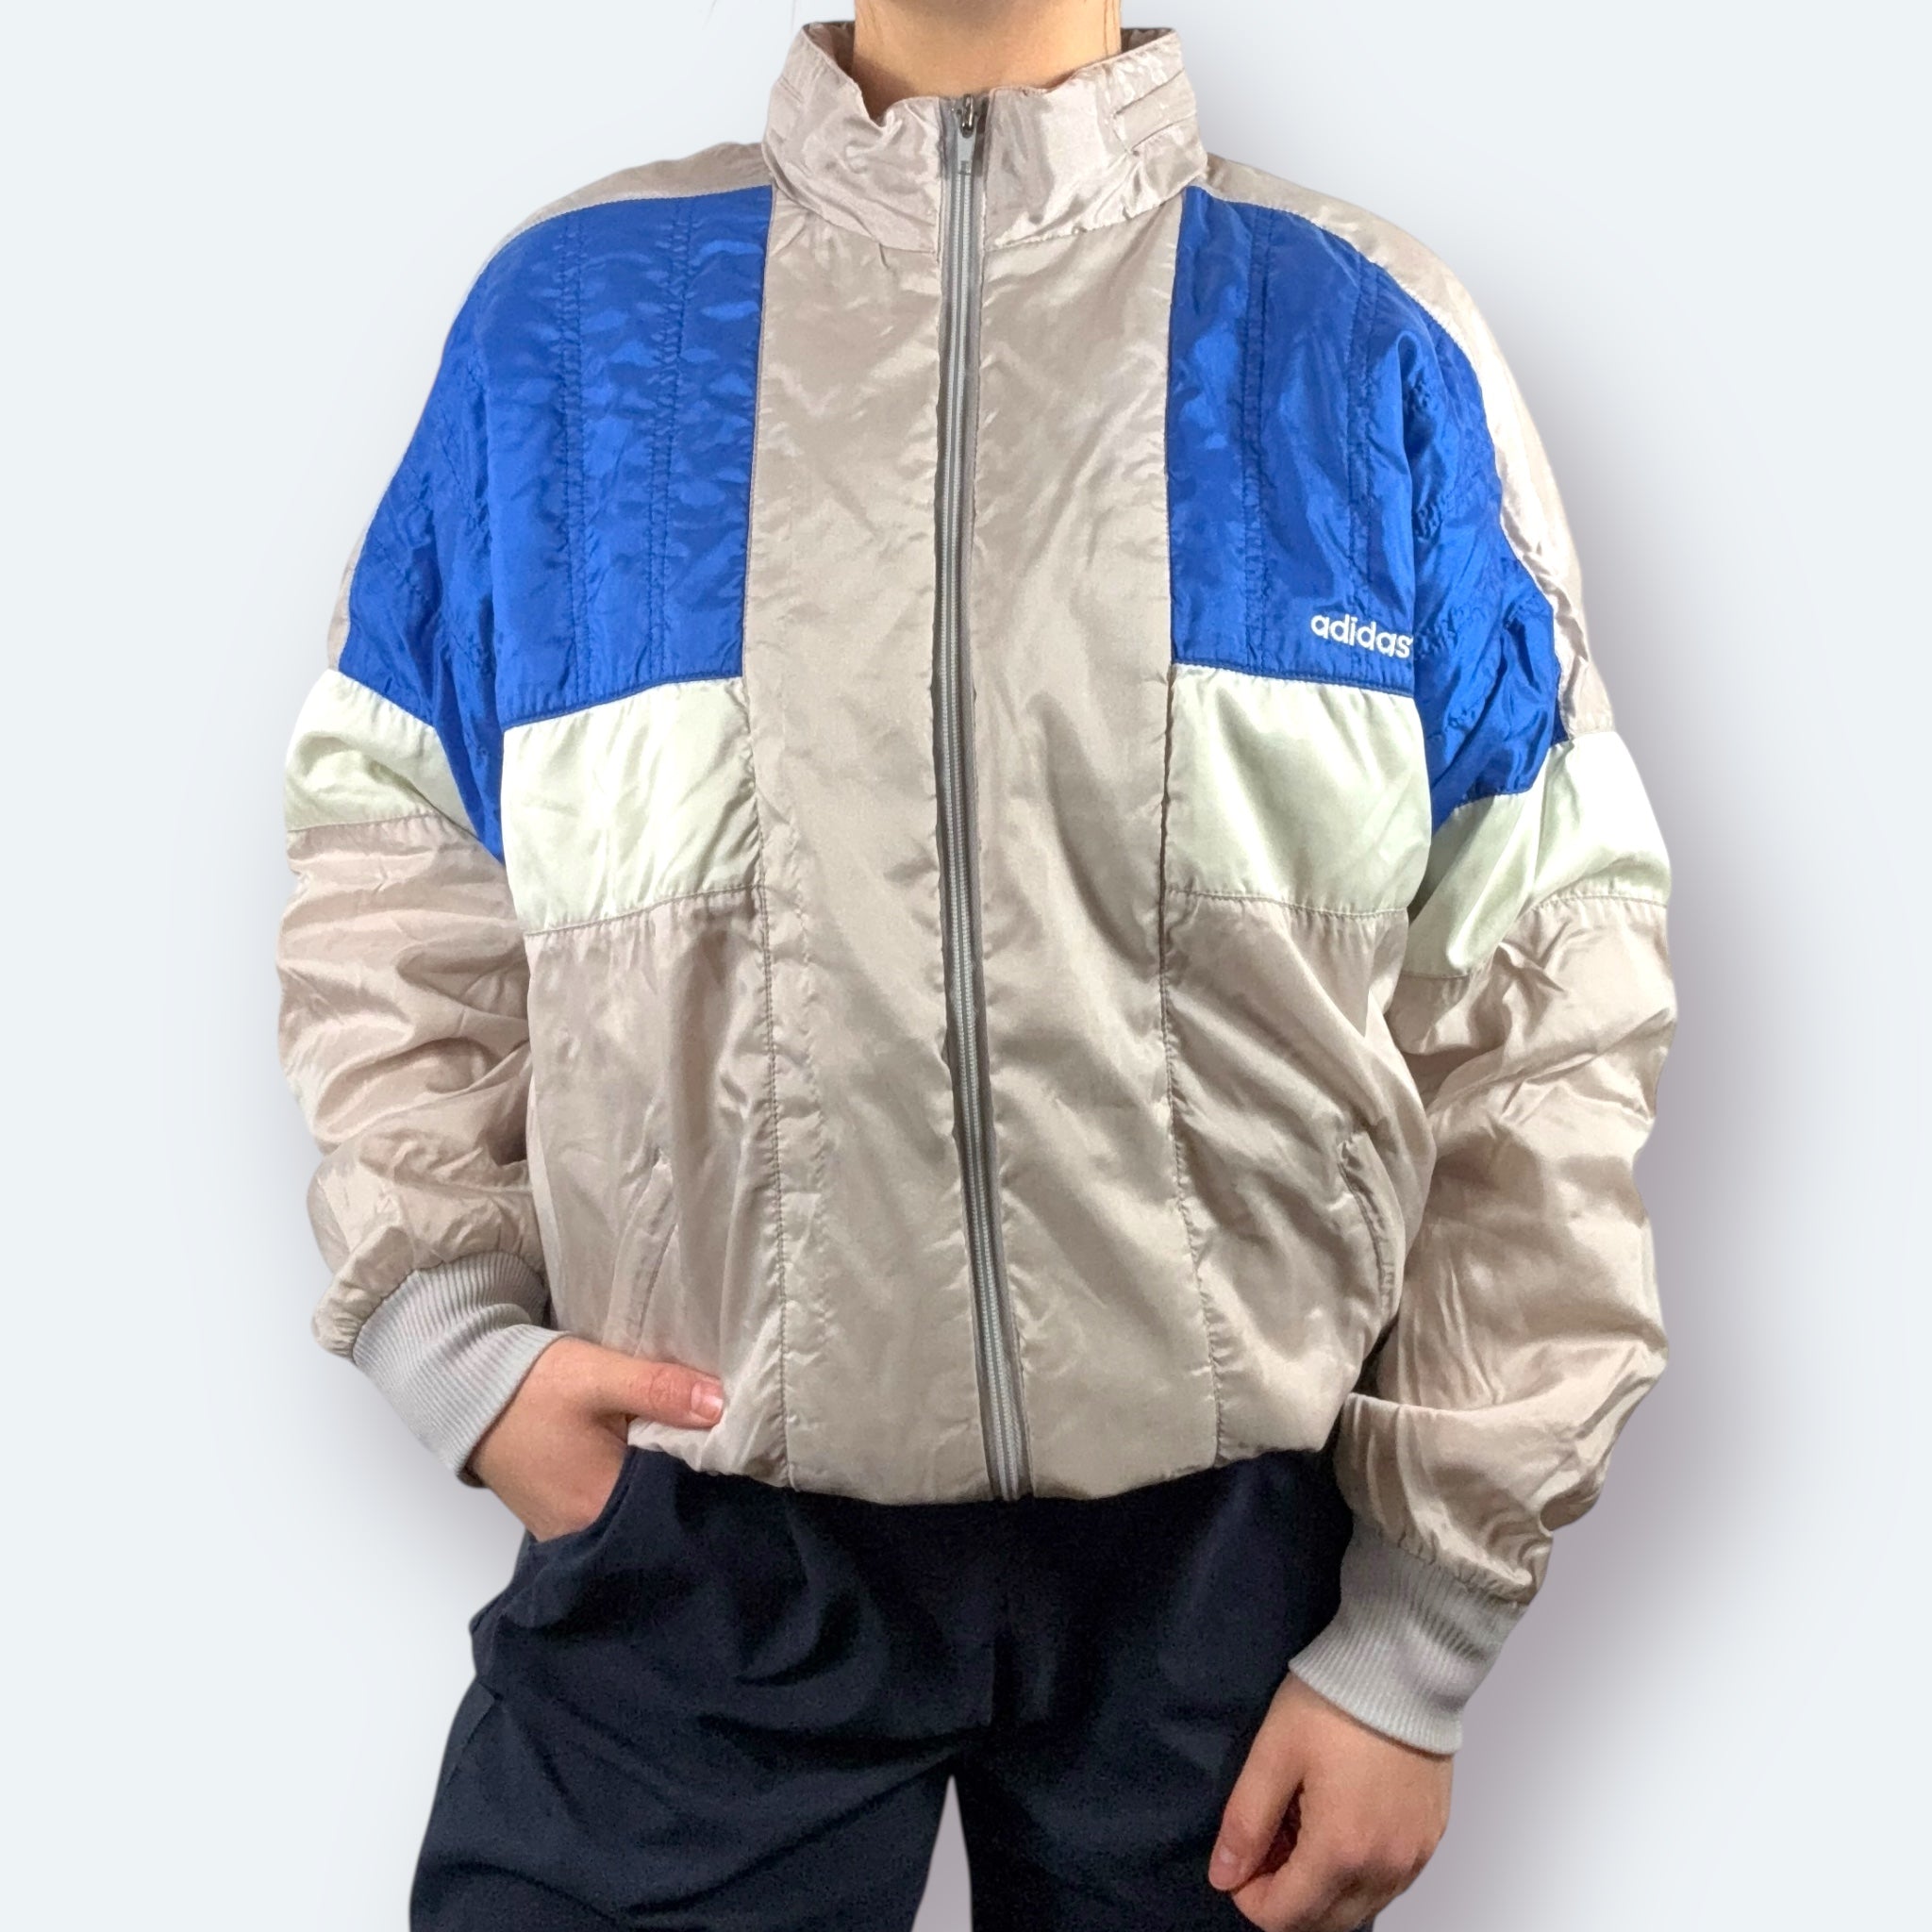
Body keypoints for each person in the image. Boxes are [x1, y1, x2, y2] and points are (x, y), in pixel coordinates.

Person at [275, 5, 1675, 1927]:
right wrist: (448, 1329)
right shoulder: (574, 326)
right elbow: (393, 849)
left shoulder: (1354, 338)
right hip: (696, 1525)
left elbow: (1542, 974)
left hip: (1226, 1575)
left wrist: (1421, 1630)